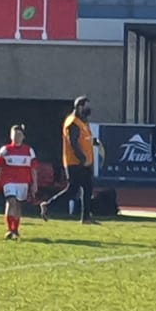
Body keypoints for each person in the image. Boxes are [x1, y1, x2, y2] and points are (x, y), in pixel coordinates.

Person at [41, 95, 100, 223]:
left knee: (87, 188)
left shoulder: (83, 122)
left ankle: (86, 217)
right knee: (72, 190)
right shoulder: (73, 122)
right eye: (86, 106)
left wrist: (93, 142)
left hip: (85, 162)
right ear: (79, 107)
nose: (89, 109)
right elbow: (73, 142)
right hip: (75, 162)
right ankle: (48, 205)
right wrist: (82, 158)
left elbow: (84, 139)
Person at [0, 125, 38, 240]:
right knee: (11, 201)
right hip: (8, 181)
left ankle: (15, 229)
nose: (16, 137)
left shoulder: (29, 151)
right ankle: (9, 230)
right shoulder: (5, 150)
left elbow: (33, 169)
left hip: (23, 182)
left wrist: (34, 184)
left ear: (23, 136)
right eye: (14, 134)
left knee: (18, 205)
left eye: (19, 134)